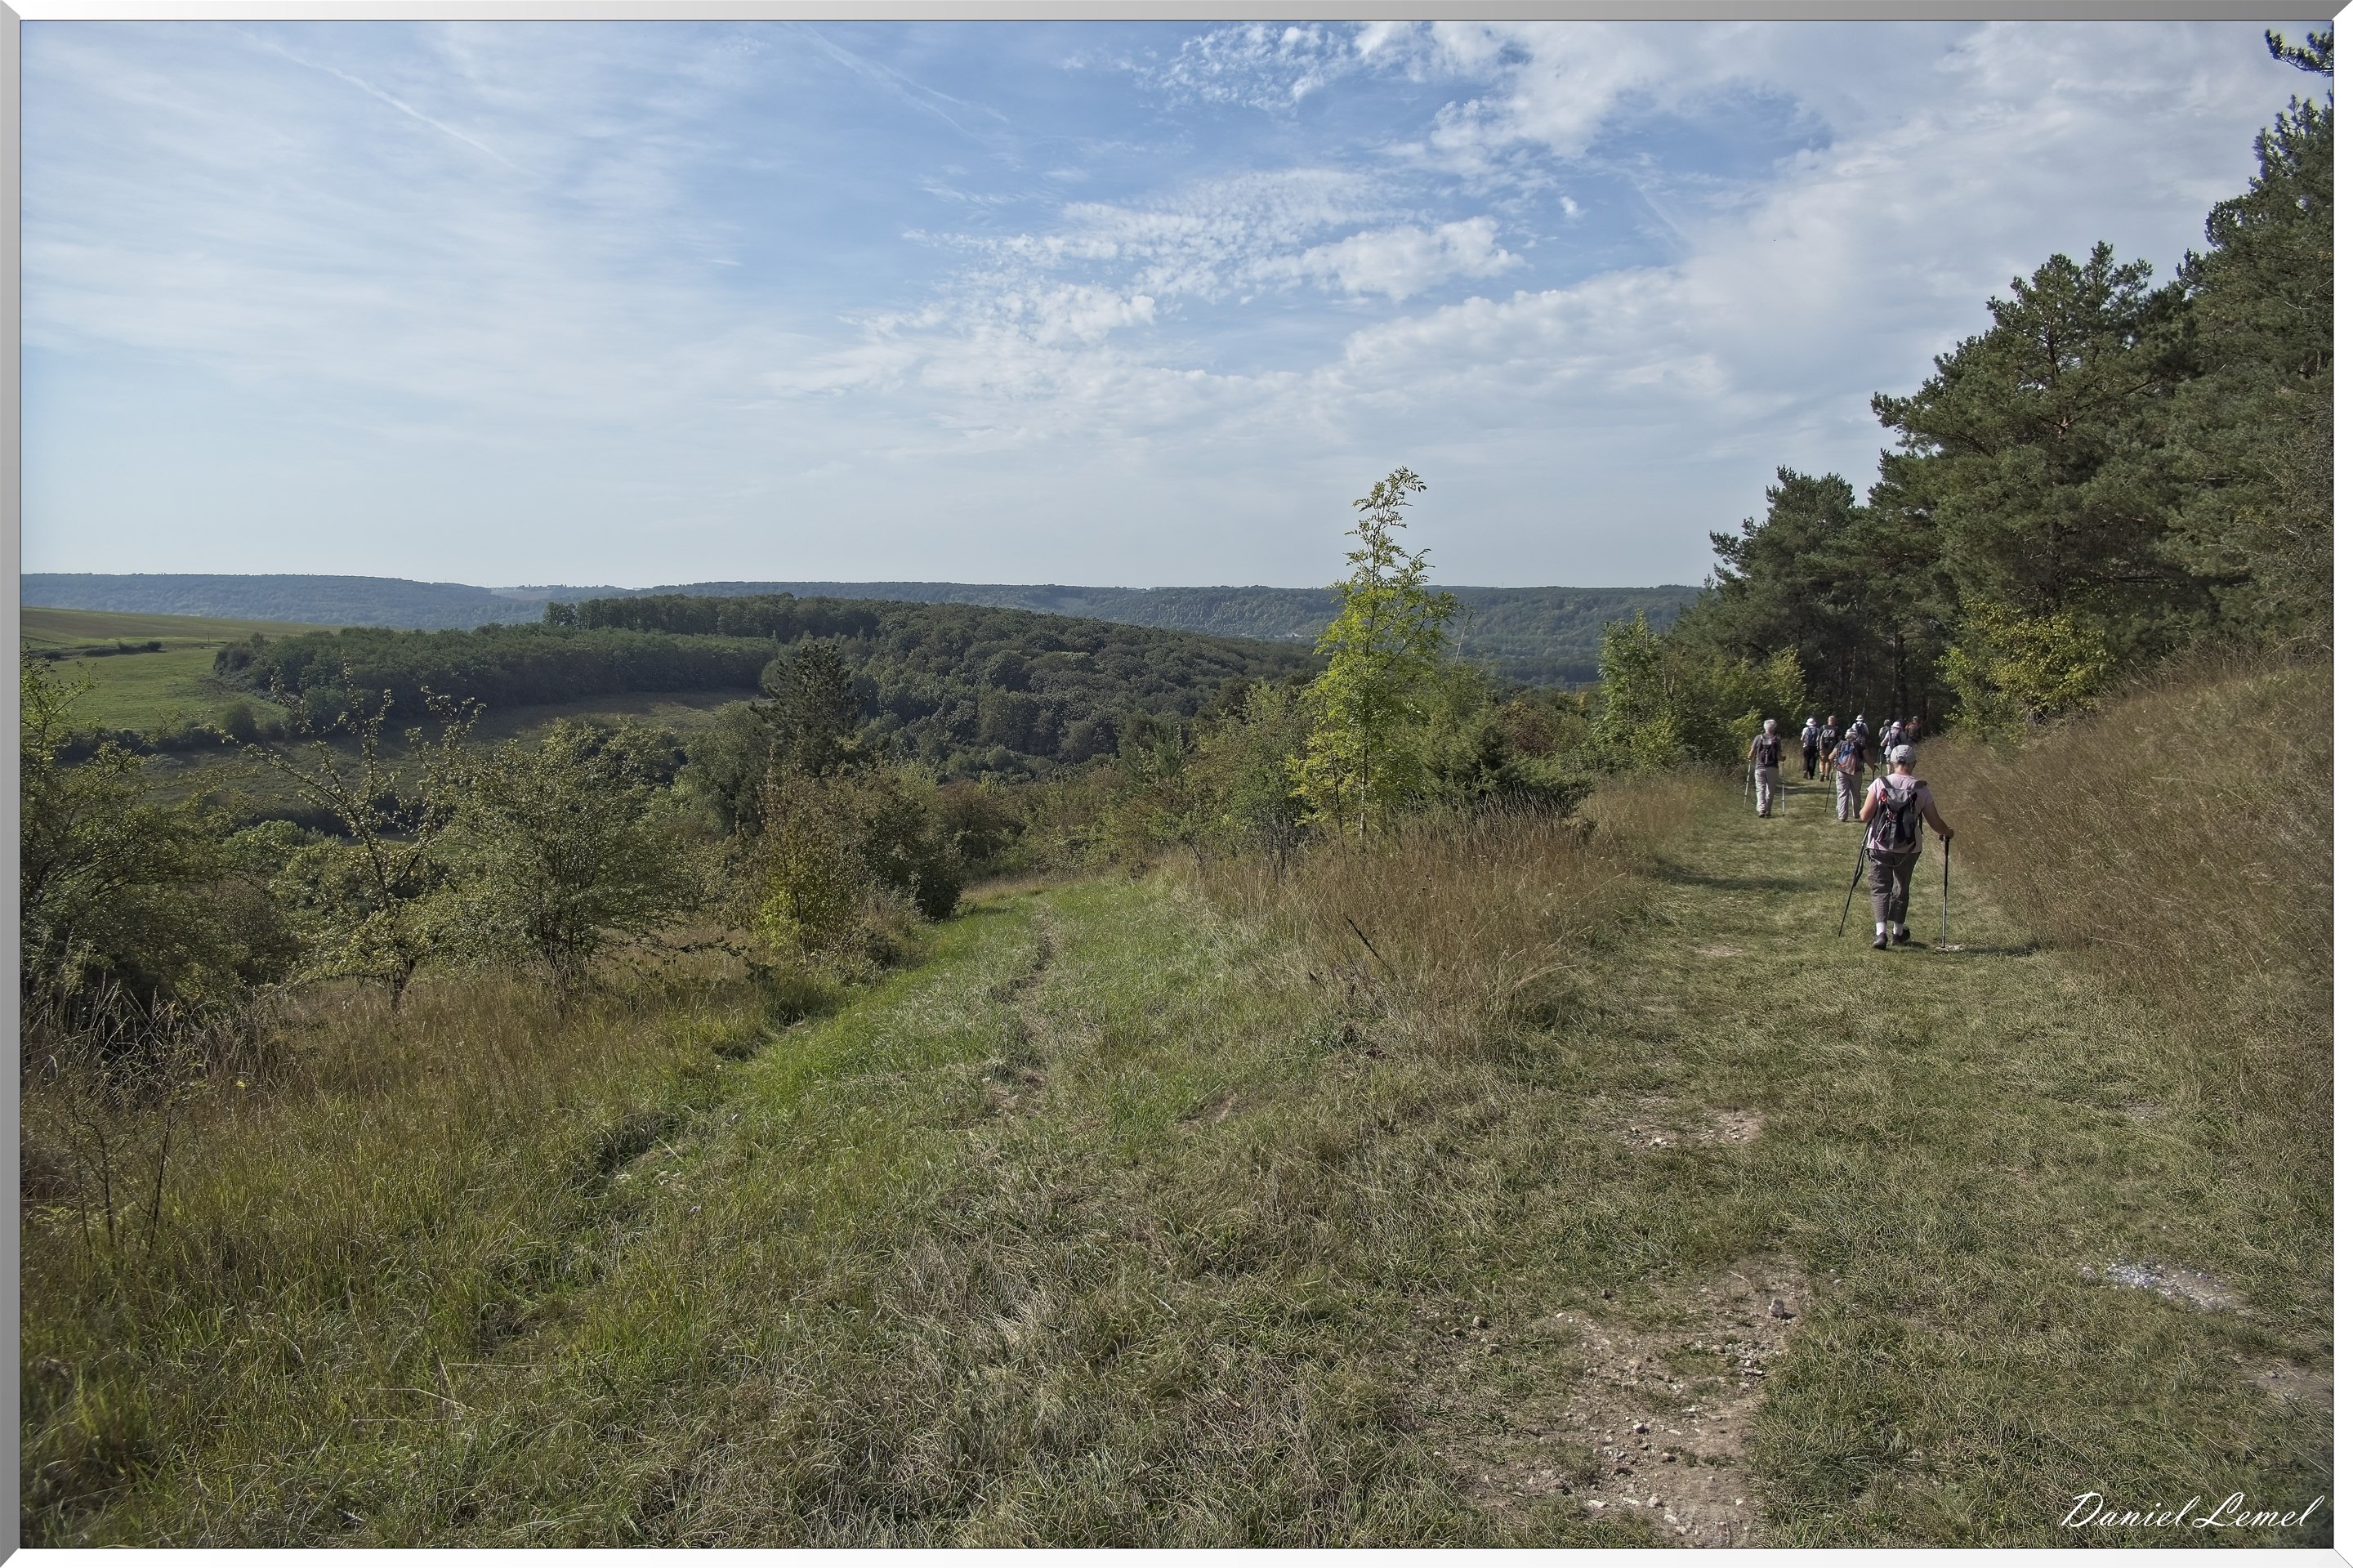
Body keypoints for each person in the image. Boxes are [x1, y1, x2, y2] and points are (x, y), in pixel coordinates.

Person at [1858, 742, 1953, 949]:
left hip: (1878, 845)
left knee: (1880, 887)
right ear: (1914, 764)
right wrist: (1948, 832)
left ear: (1892, 763)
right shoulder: (1921, 789)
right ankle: (1898, 932)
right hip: (1909, 847)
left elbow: (1864, 816)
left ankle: (1880, 932)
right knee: (1902, 887)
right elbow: (1935, 822)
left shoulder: (1880, 783)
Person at [1831, 721, 1866, 821]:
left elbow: (1831, 756)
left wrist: (1834, 759)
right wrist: (1872, 767)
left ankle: (1842, 815)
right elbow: (1866, 756)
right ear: (1856, 736)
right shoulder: (1860, 745)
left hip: (1841, 771)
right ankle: (1856, 814)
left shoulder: (1840, 744)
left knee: (1842, 793)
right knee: (1856, 793)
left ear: (1846, 735)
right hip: (1856, 772)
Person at [1748, 718, 1784, 818]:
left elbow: (1751, 753)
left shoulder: (1758, 738)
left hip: (1760, 767)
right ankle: (1768, 810)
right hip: (1772, 767)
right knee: (1770, 790)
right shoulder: (1776, 739)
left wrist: (1750, 757)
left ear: (1765, 727)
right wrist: (1783, 759)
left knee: (1760, 789)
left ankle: (1761, 809)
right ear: (1774, 728)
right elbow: (1779, 757)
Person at [1799, 716, 1821, 781]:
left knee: (1806, 759)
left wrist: (1804, 743)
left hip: (1806, 746)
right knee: (1813, 760)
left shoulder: (1805, 729)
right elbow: (1818, 739)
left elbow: (1802, 739)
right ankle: (1811, 775)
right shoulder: (1817, 730)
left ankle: (1805, 770)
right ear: (1814, 723)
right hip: (1814, 747)